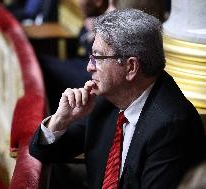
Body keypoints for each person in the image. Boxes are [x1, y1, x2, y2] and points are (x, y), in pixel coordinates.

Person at [29, 9, 205, 189]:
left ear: (130, 67)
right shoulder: (109, 99)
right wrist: (61, 120)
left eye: (97, 57)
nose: (89, 67)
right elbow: (43, 152)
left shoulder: (171, 127)